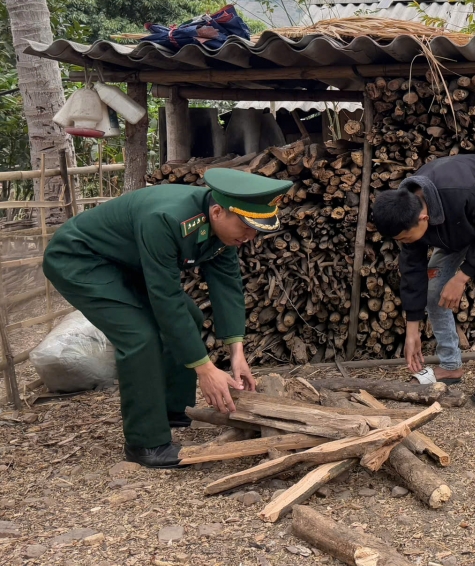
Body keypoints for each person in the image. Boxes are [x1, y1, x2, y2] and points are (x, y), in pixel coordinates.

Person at [43, 168, 293, 467]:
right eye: (247, 227)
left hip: (124, 262)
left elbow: (227, 286)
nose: (251, 237)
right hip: (80, 260)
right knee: (139, 337)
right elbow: (165, 298)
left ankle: (175, 411)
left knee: (191, 315)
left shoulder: (222, 231)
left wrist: (236, 353)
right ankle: (146, 443)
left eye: (257, 229)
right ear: (217, 212)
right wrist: (205, 369)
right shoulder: (167, 218)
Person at [372, 154, 475, 408]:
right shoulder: (406, 209)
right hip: (455, 231)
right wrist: (412, 330)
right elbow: (412, 272)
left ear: (423, 219)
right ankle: (451, 367)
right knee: (434, 291)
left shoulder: (463, 189)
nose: (405, 244)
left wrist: (462, 277)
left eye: (406, 239)